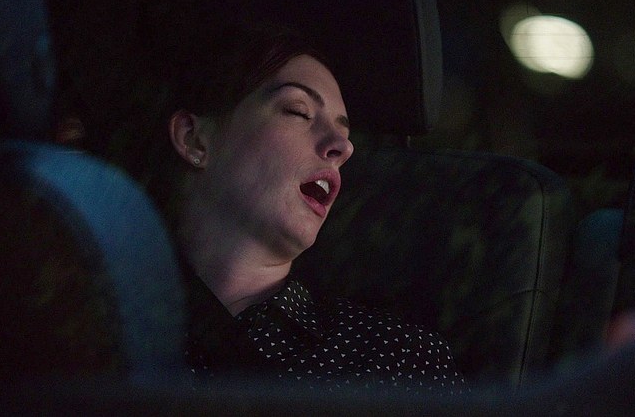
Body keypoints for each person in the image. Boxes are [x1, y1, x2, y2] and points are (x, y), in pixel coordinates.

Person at [146, 22, 465, 396]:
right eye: (298, 111)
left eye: (345, 134)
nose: (343, 147)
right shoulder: (104, 328)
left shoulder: (400, 360)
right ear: (194, 139)